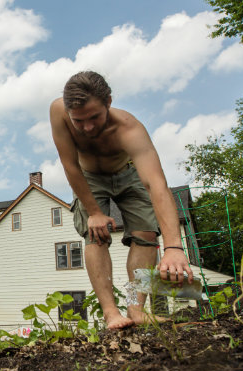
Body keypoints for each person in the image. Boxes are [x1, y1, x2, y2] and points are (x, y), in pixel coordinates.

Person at [49, 71, 192, 330]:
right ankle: (111, 313)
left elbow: (156, 185)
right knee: (96, 235)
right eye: (79, 121)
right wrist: (94, 212)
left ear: (109, 102)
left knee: (146, 234)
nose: (88, 127)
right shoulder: (58, 111)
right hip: (88, 176)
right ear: (69, 111)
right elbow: (70, 166)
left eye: (95, 117)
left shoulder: (130, 129)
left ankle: (134, 309)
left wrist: (173, 247)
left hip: (128, 173)